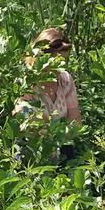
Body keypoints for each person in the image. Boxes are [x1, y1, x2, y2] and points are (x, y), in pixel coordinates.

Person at [18, 27, 81, 166]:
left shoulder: (65, 79)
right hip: (31, 149)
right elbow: (22, 121)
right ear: (42, 57)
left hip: (61, 144)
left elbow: (75, 122)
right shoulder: (27, 83)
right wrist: (47, 128)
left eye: (64, 61)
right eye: (57, 62)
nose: (61, 66)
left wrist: (60, 135)